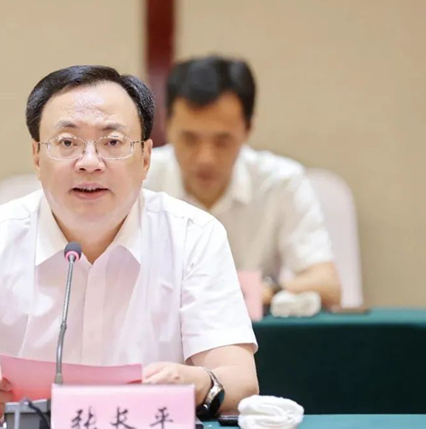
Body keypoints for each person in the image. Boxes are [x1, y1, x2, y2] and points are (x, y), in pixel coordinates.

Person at [0, 65, 258, 423]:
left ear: (146, 158)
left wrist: (202, 384)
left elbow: (240, 381)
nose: (89, 162)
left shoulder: (194, 236)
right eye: (67, 143)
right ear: (37, 157)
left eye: (112, 143)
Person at [145, 55, 341, 307]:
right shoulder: (138, 180)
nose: (205, 158)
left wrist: (267, 290)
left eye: (222, 141)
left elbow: (328, 285)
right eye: (190, 139)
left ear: (248, 128)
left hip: (253, 328)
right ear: (166, 124)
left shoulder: (281, 182)